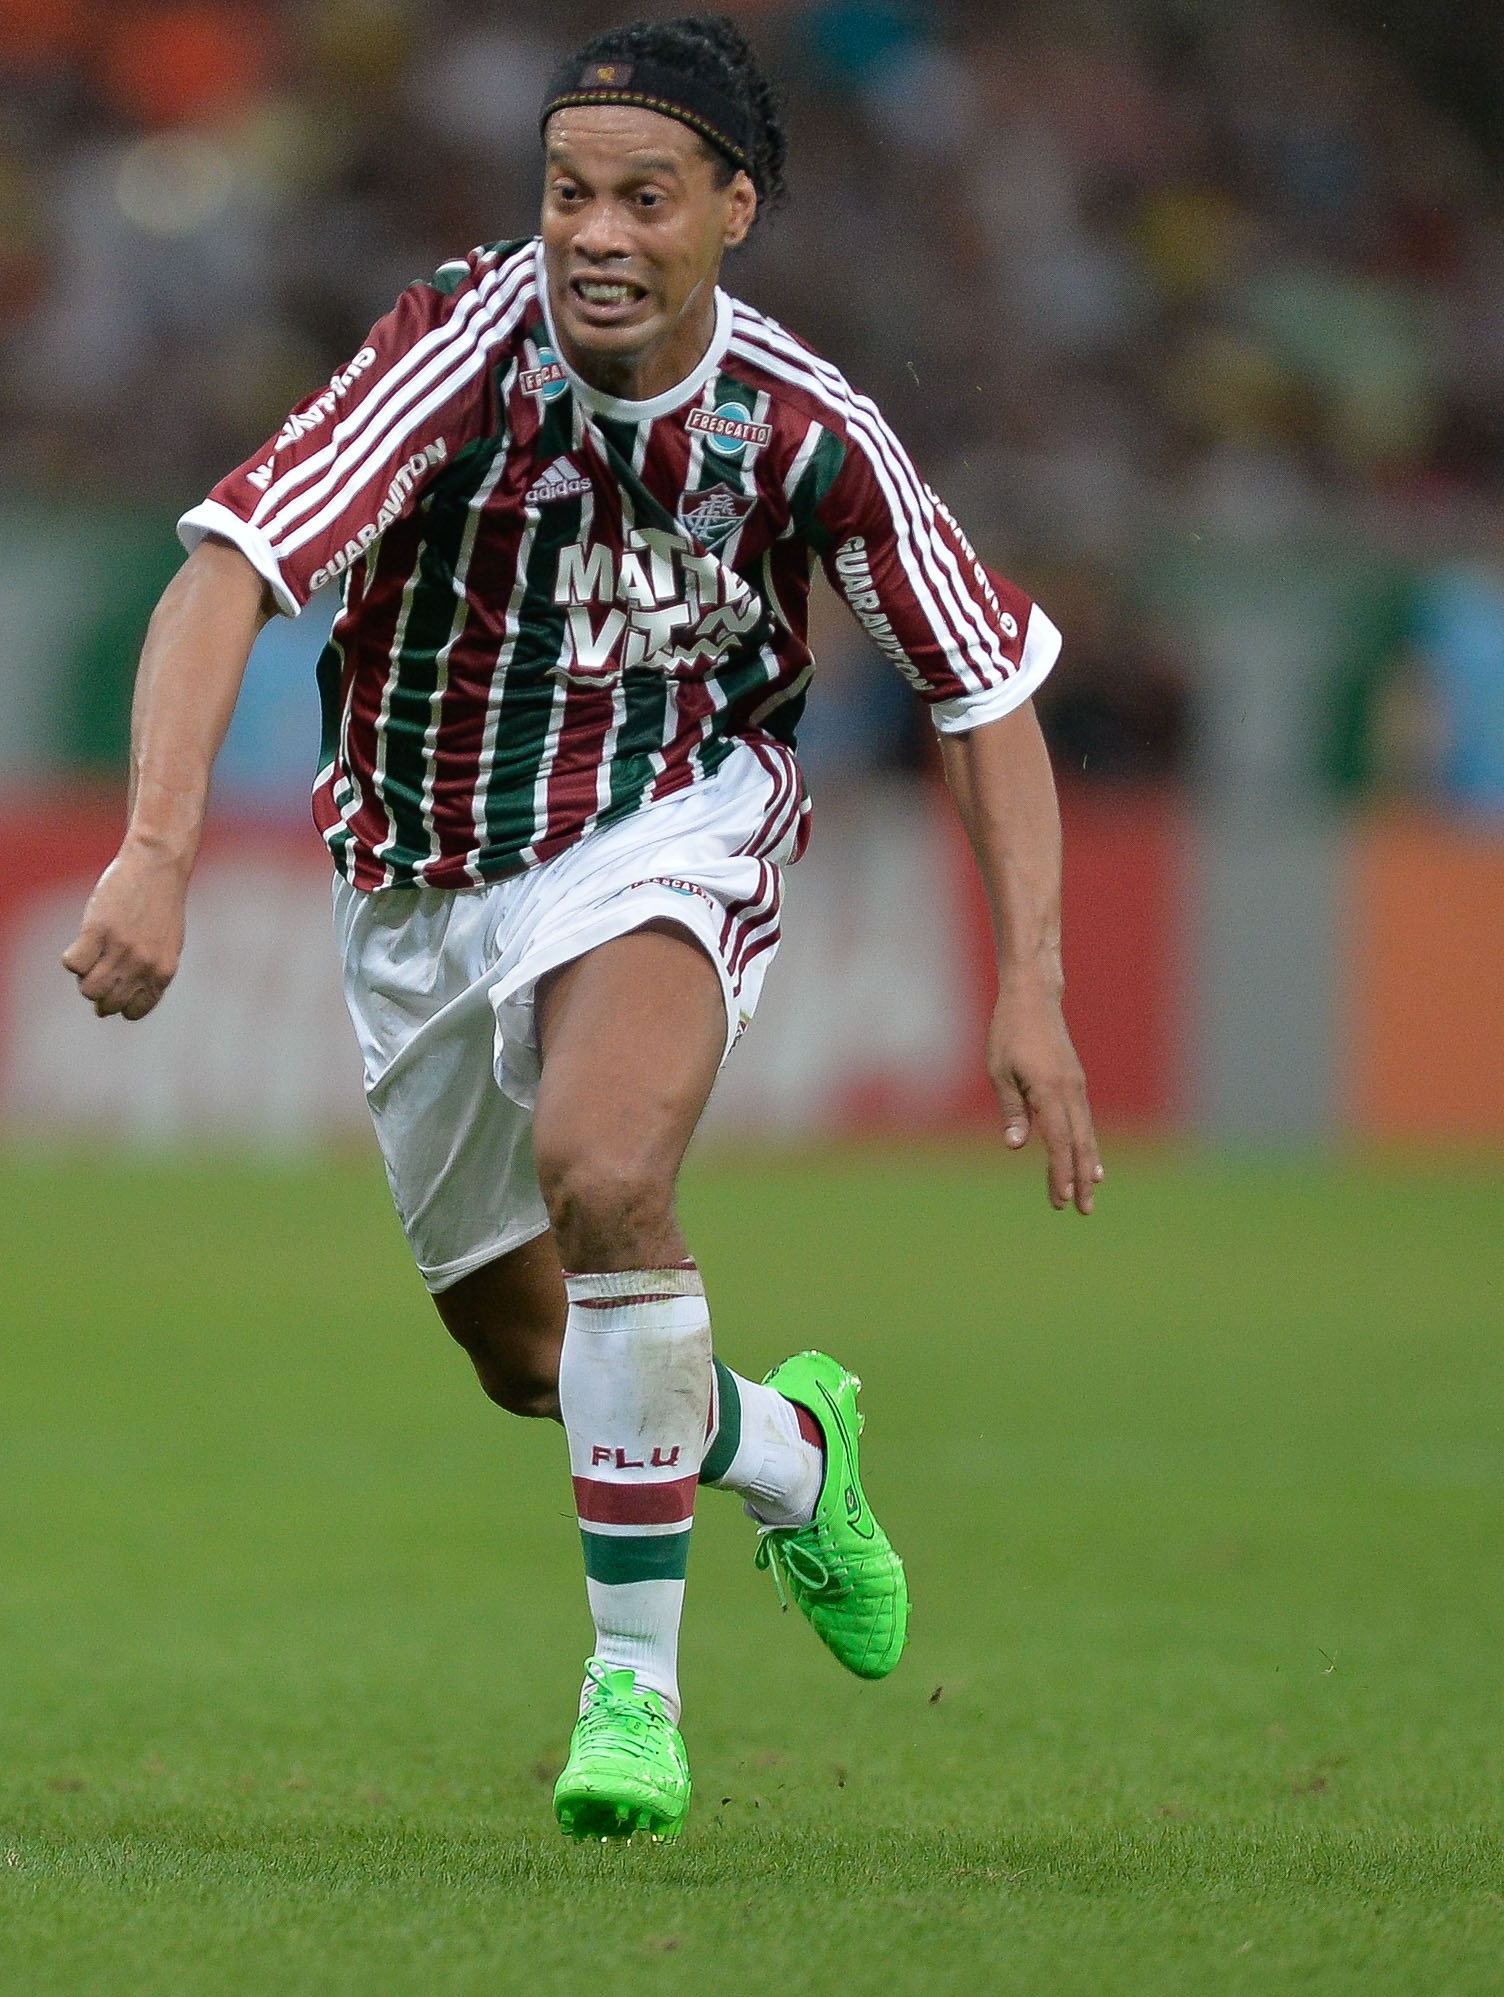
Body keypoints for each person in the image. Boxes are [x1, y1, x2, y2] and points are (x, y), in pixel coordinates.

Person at [60, 14, 1100, 1842]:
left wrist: (1034, 979)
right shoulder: (455, 354)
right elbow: (231, 568)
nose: (596, 233)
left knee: (608, 1171)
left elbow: (982, 689)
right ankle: (788, 1446)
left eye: (643, 197)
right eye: (567, 195)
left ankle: (636, 1693)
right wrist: (157, 845)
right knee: (534, 1358)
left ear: (732, 212)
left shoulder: (807, 430)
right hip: (415, 870)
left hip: (666, 820)